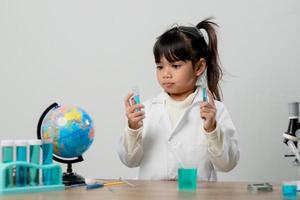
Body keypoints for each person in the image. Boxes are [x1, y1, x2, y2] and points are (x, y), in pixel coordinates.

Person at [117, 18, 239, 181]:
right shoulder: (147, 110)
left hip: (197, 195)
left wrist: (212, 129)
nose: (166, 74)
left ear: (199, 67)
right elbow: (129, 161)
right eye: (160, 67)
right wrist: (133, 129)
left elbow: (227, 164)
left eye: (175, 66)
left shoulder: (214, 110)